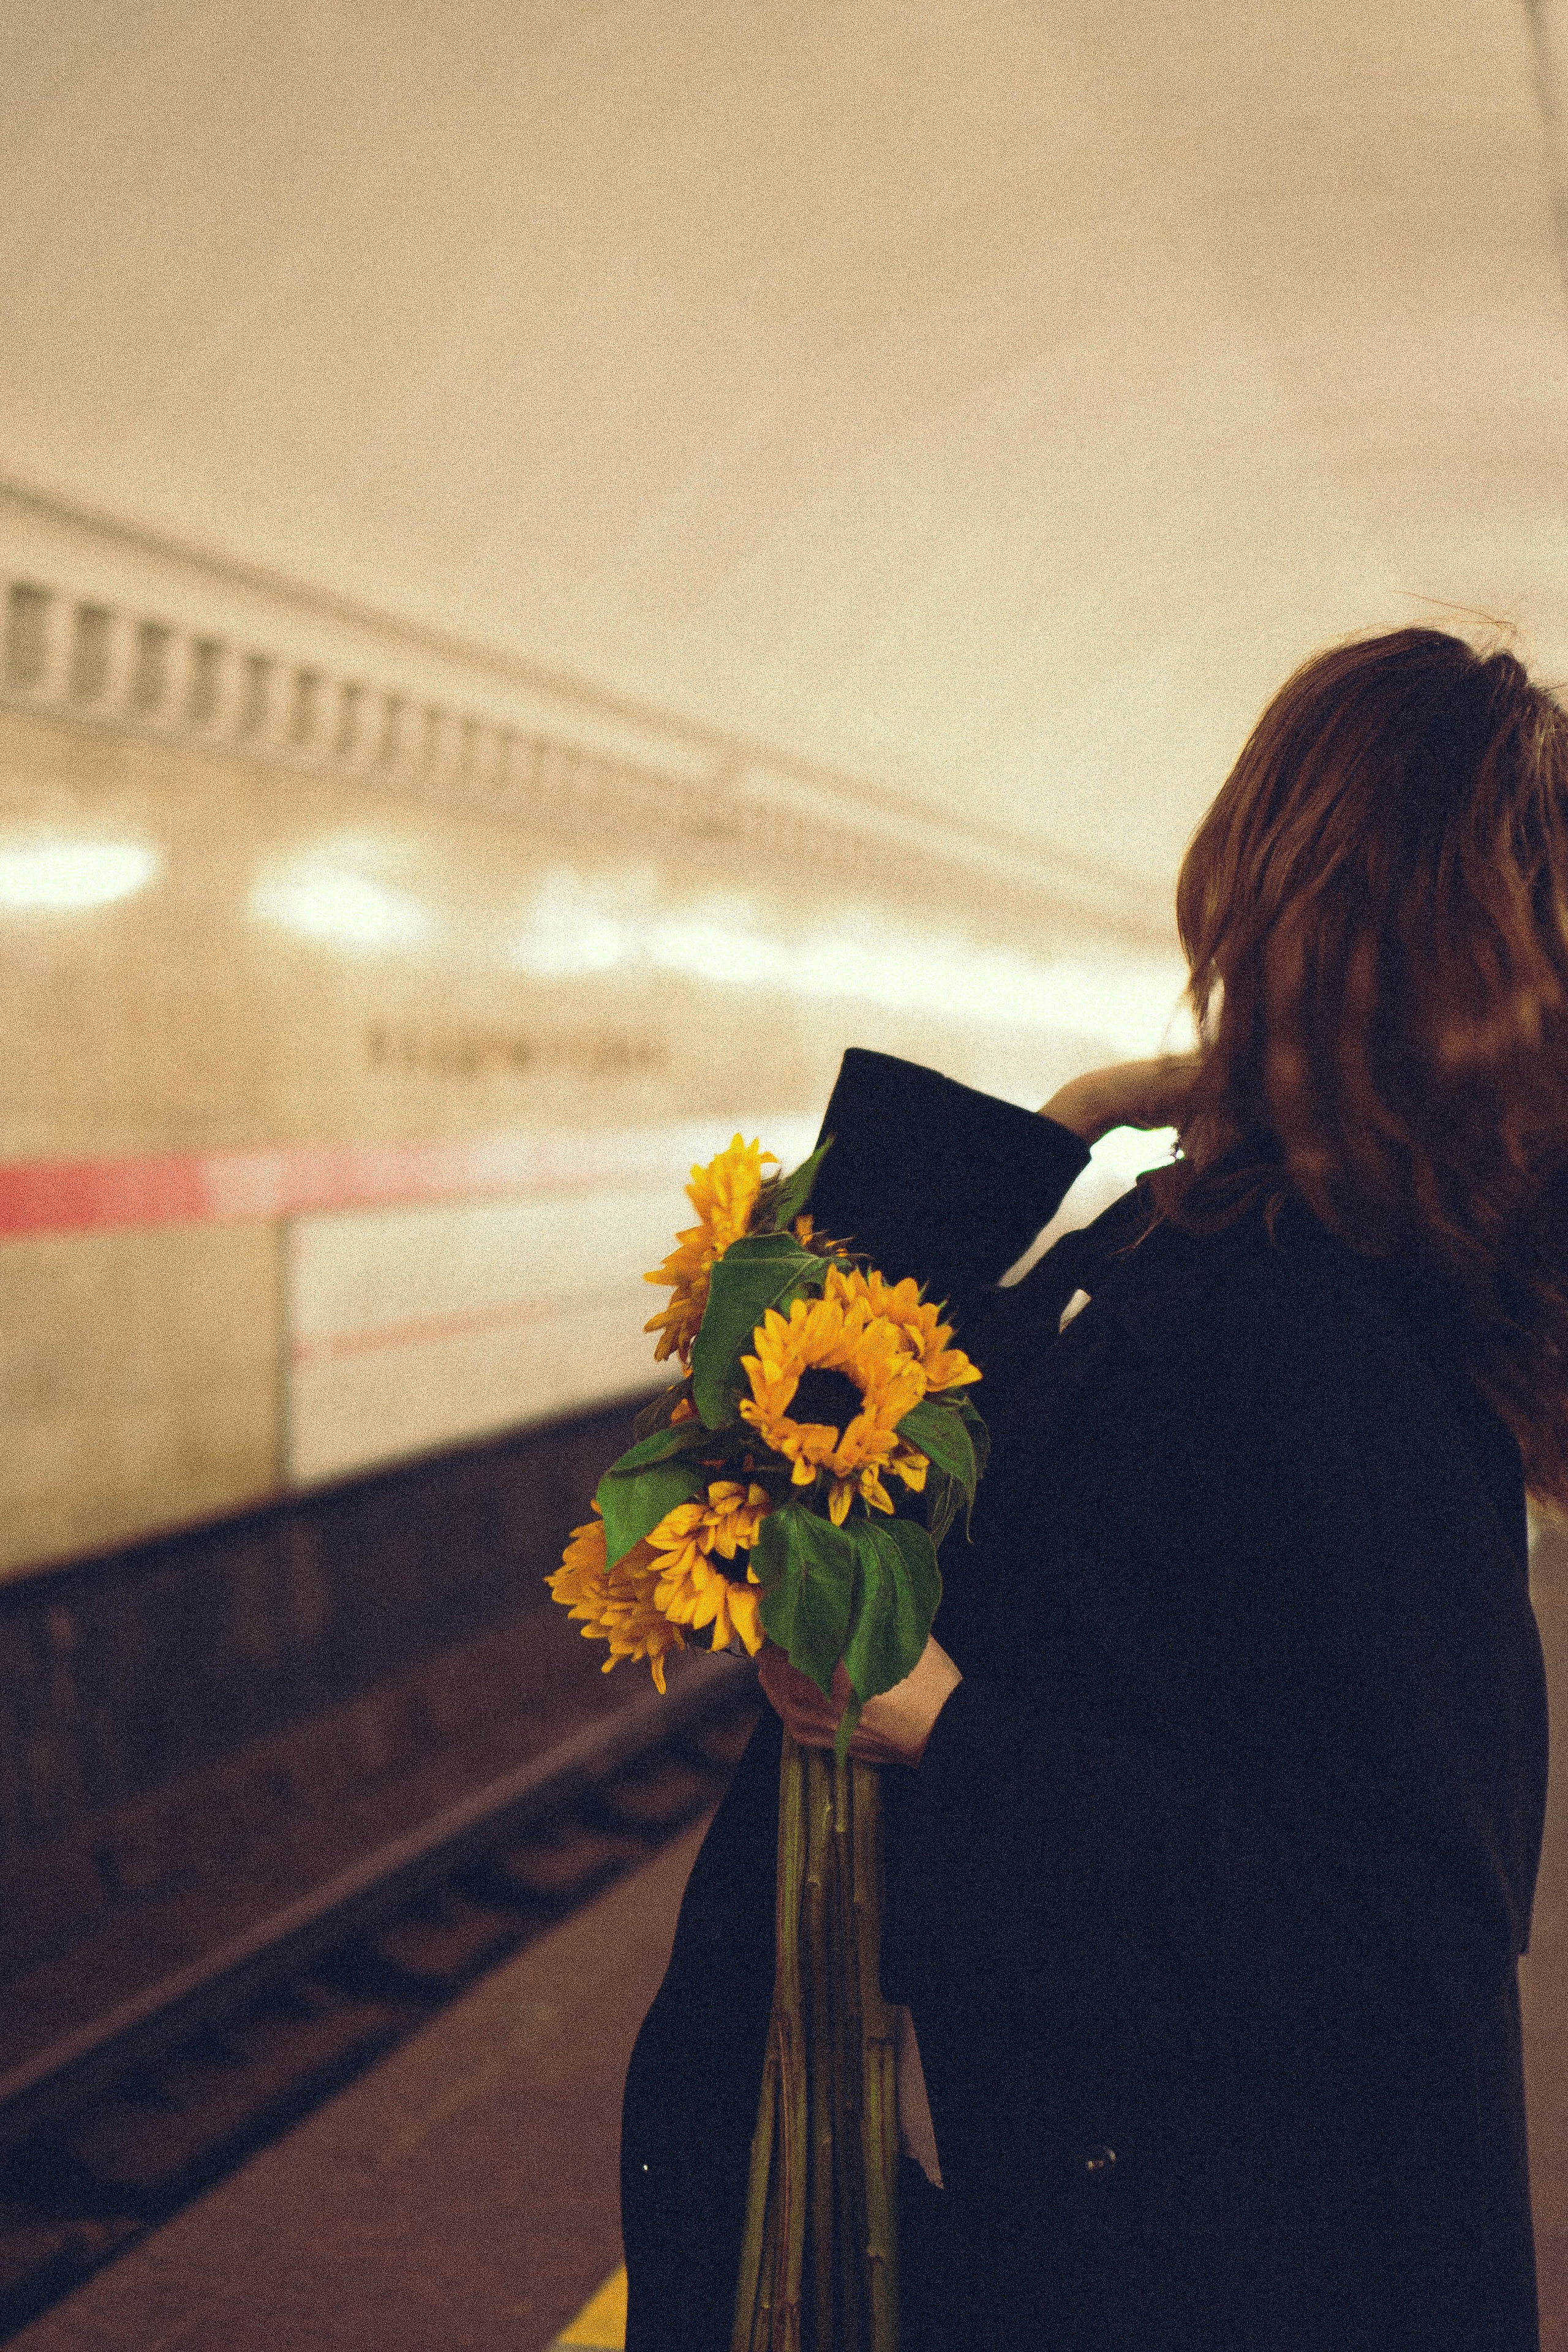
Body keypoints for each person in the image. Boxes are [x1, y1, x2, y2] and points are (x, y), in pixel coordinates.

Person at [620, 627, 1561, 2350]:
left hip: (1218, 2272)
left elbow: (1412, 1928)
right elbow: (829, 1430)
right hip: (1106, 2229)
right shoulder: (1192, 1234)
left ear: (1281, 883)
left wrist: (942, 1724)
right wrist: (1052, 1127)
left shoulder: (1336, 1326)